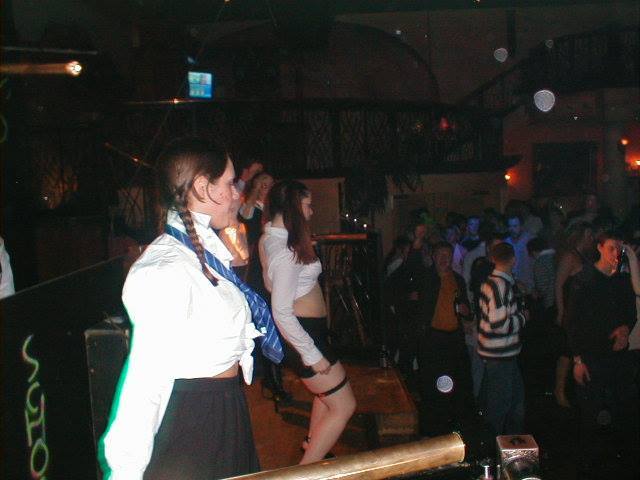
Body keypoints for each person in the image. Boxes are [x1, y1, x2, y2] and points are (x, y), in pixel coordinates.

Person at [101, 138, 267, 480]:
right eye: (230, 184)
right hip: (194, 424)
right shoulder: (165, 269)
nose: (237, 194)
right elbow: (145, 382)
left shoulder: (203, 251)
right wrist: (124, 471)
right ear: (203, 188)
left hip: (225, 410)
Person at [259, 180, 356, 464]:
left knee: (325, 395)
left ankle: (312, 444)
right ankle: (306, 470)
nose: (311, 212)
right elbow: (281, 312)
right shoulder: (285, 251)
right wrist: (312, 354)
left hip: (308, 332)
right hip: (305, 335)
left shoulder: (271, 238)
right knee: (344, 405)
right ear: (292, 206)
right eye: (307, 205)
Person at [568, 230, 638, 476]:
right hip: (592, 357)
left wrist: (624, 329)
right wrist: (577, 360)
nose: (615, 253)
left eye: (619, 248)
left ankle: (618, 465)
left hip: (618, 358)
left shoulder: (622, 280)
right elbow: (573, 324)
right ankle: (589, 466)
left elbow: (630, 312)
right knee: (591, 415)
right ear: (599, 247)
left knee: (621, 411)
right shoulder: (583, 281)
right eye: (611, 248)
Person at [416, 241, 475, 436]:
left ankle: (454, 426)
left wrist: (466, 312)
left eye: (448, 255)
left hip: (454, 340)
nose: (444, 259)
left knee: (457, 384)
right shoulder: (426, 278)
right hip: (433, 339)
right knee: (434, 385)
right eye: (440, 255)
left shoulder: (457, 279)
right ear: (434, 257)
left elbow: (466, 309)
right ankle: (434, 428)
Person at [478, 242, 528, 436]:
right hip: (500, 355)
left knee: (513, 404)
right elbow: (499, 325)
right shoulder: (500, 285)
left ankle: (507, 444)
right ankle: (496, 447)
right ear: (513, 259)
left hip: (500, 354)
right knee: (501, 407)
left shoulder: (493, 282)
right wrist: (523, 317)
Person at [553, 222, 595, 408]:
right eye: (590, 236)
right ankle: (559, 390)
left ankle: (574, 389)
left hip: (581, 310)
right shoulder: (569, 256)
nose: (592, 239)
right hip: (570, 310)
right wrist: (561, 311)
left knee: (575, 350)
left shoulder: (583, 255)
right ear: (583, 235)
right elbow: (559, 284)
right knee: (566, 352)